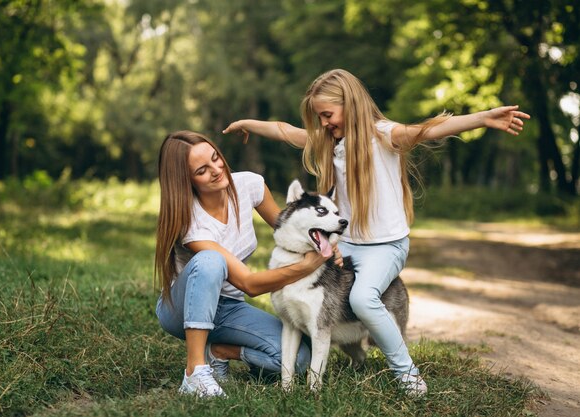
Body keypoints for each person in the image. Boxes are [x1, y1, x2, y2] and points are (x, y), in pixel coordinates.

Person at [222, 68, 530, 396]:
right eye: (319, 117)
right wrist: (247, 125)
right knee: (320, 298)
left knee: (363, 299)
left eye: (327, 114)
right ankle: (350, 357)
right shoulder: (328, 142)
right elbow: (285, 131)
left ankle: (408, 375)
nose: (324, 123)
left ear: (350, 105)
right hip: (348, 245)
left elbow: (425, 131)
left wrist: (482, 118)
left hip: (387, 247)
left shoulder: (382, 134)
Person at [155, 130, 335, 397]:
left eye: (216, 158)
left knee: (298, 359)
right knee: (210, 261)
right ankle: (195, 371)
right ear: (186, 181)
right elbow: (248, 284)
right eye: (203, 170)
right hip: (181, 308)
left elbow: (289, 230)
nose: (217, 170)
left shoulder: (248, 185)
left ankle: (219, 352)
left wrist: (325, 243)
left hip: (228, 308)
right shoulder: (191, 221)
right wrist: (306, 266)